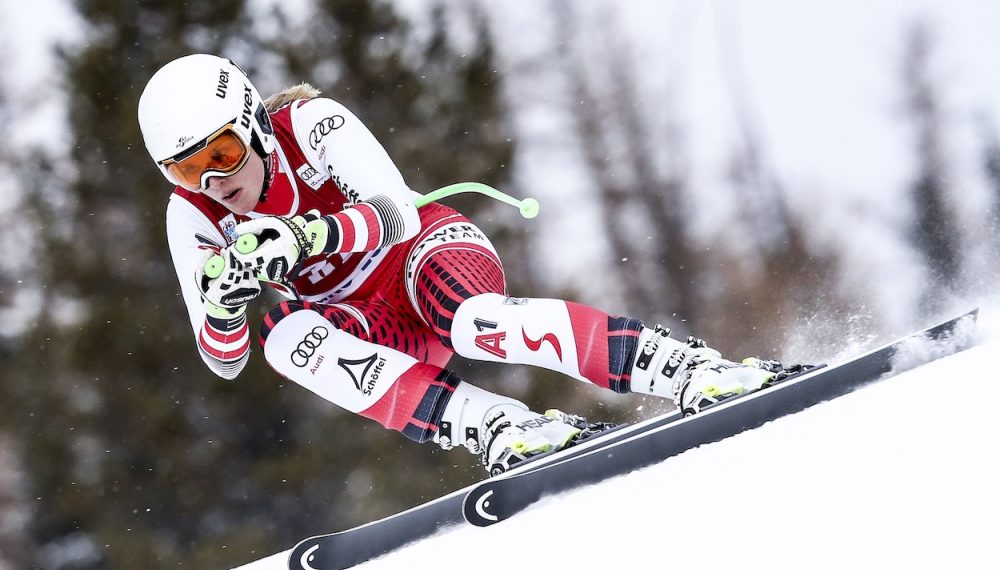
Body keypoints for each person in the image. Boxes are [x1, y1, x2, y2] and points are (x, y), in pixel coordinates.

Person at [137, 54, 789, 475]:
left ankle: (685, 368)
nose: (212, 180)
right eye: (185, 168)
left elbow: (395, 210)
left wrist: (306, 237)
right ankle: (498, 424)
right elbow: (223, 358)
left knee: (474, 322)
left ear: (252, 124)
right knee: (283, 339)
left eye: (220, 152)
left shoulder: (310, 125)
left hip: (420, 260)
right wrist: (222, 298)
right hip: (366, 323)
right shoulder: (191, 215)